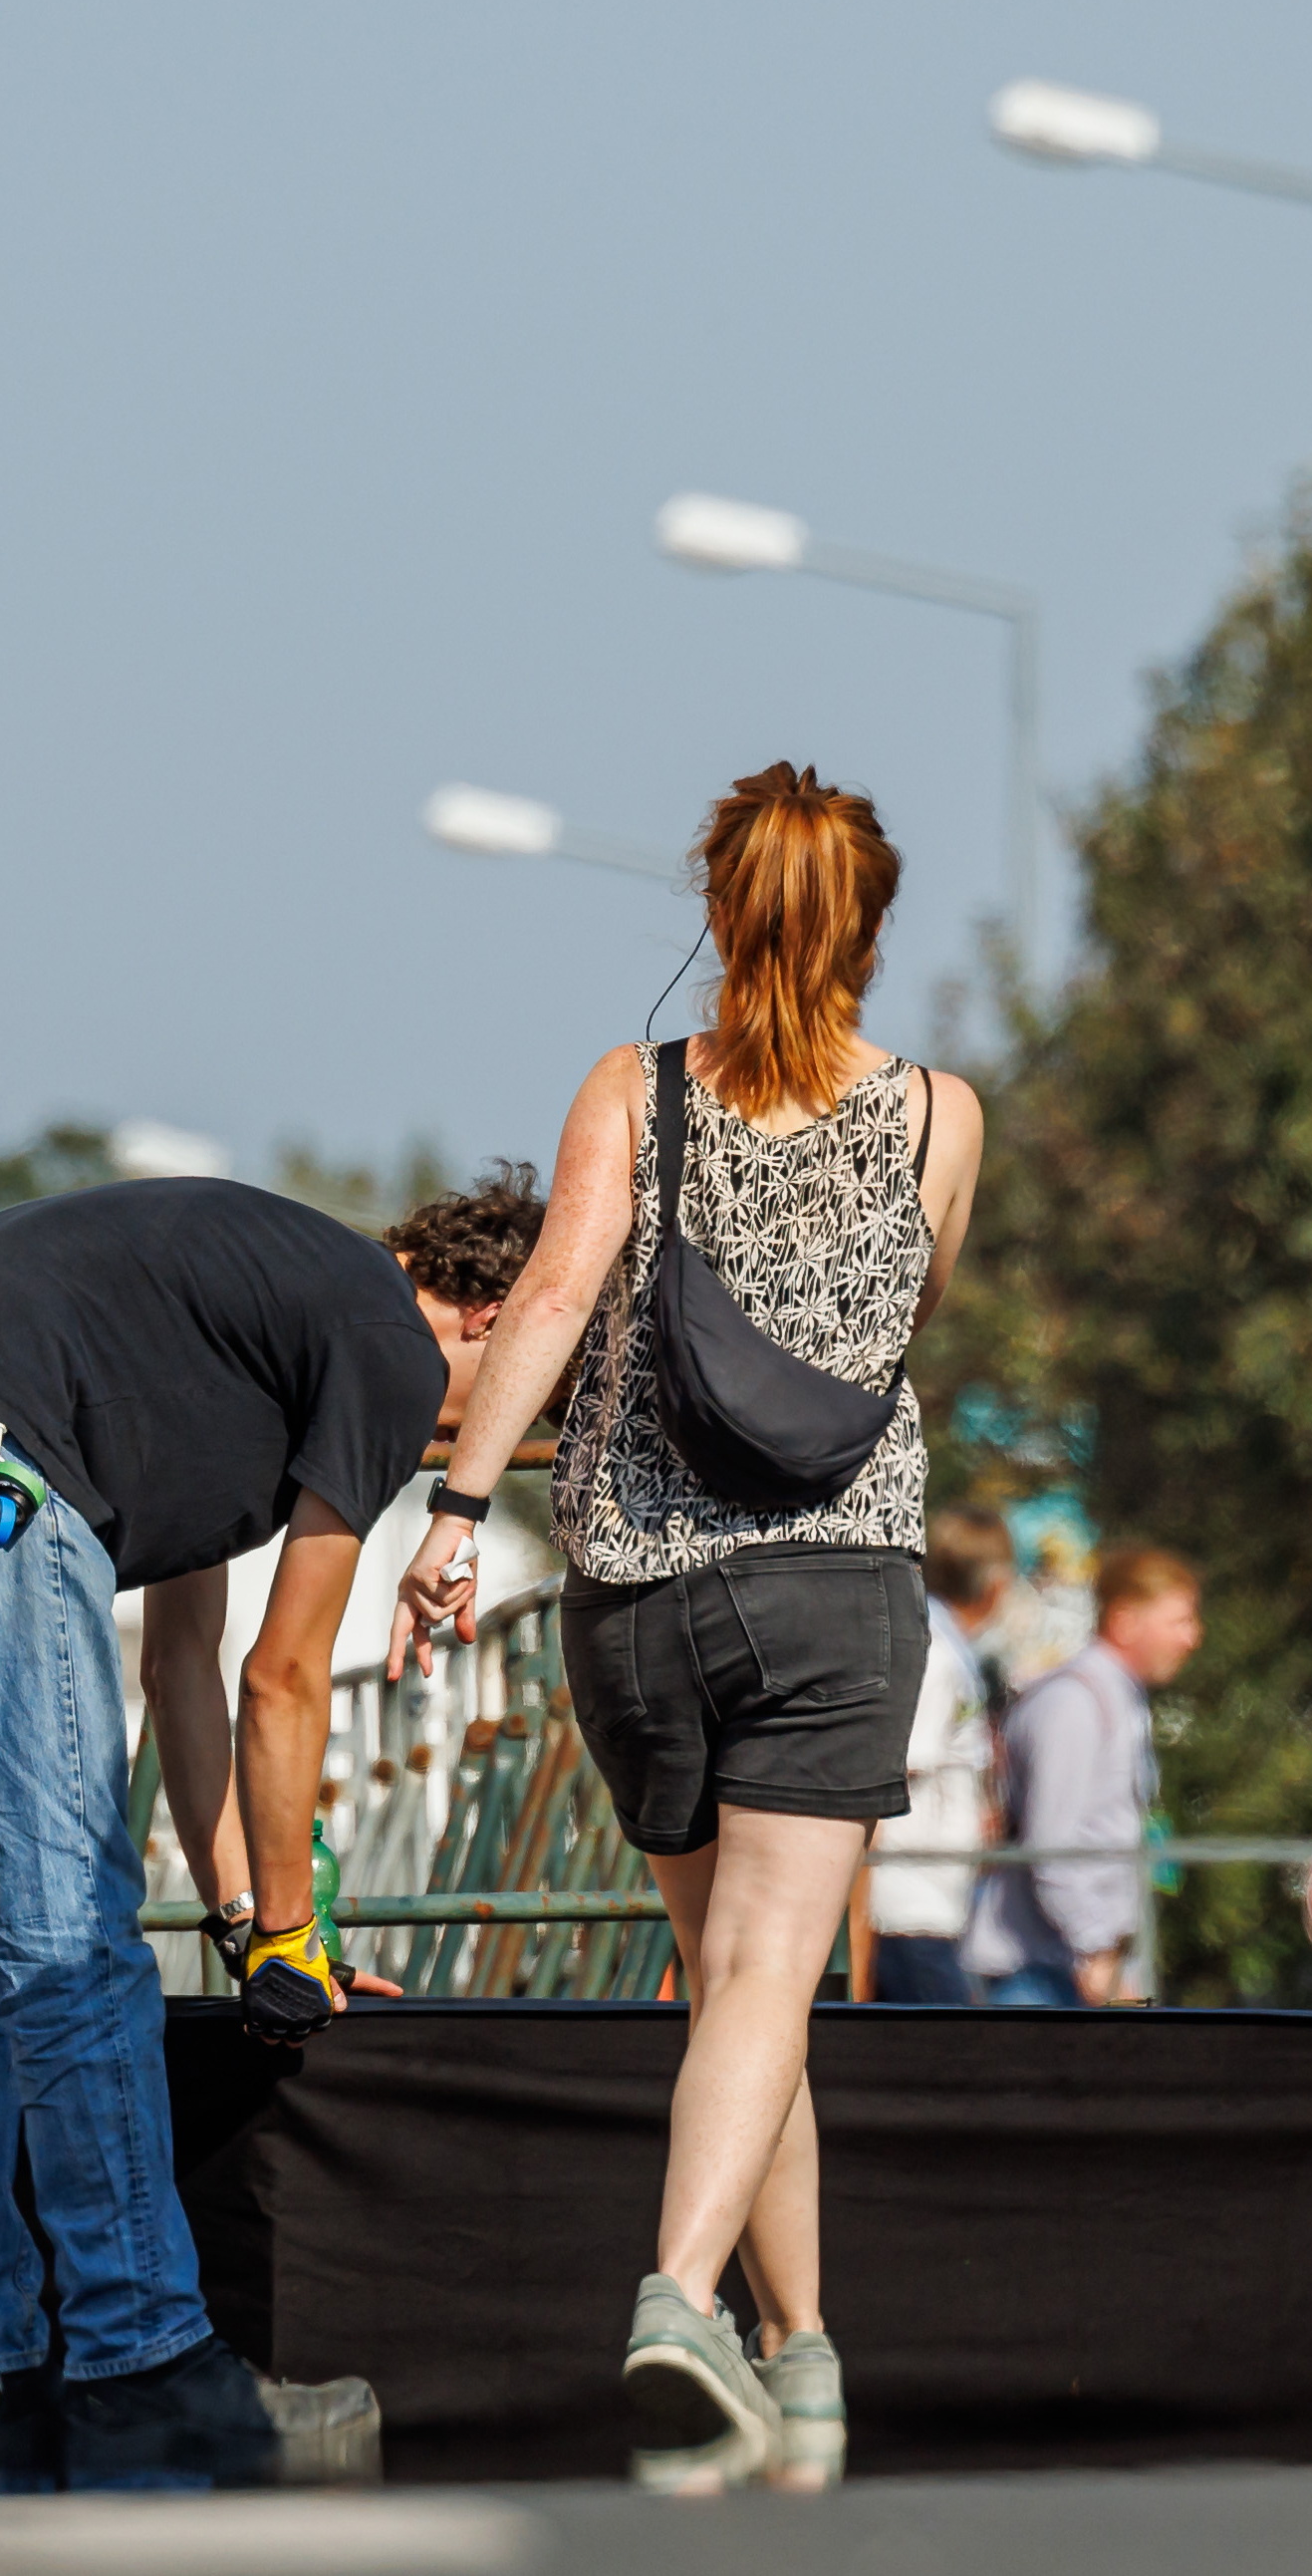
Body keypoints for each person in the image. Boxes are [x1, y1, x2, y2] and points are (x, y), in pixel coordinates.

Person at [398, 763, 981, 2486]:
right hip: (832, 1586)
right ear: (868, 924)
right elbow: (902, 1318)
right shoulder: (944, 1113)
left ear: (716, 911)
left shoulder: (633, 1090)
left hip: (636, 1597)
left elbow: (557, 1291)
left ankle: (798, 2358)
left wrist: (453, 1508)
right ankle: (677, 2294)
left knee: (737, 1983)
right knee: (761, 1979)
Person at [0, 1159, 540, 2491]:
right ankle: (139, 2357)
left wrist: (244, 1922)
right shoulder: (385, 1349)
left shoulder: (243, 1325)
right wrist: (293, 1930)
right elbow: (287, 1679)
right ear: (490, 1317)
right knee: (69, 1945)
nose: (483, 1439)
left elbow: (185, 1671)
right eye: (542, 1370)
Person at [961, 1549, 1197, 2007]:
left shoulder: (1118, 1699)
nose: (1192, 1638)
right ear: (1125, 1620)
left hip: (1074, 1969)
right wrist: (1094, 1951)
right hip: (1044, 1975)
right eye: (1178, 1621)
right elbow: (1052, 1843)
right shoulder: (1075, 1703)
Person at [861, 1518, 1010, 2005]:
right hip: (906, 1905)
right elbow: (894, 1772)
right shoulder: (937, 1652)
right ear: (995, 1584)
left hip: (929, 1902)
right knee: (948, 2066)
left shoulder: (946, 1645)